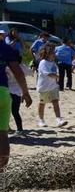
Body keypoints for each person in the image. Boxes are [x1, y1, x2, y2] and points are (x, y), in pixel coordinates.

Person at [1, 41, 32, 169]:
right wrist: (25, 92)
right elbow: (19, 73)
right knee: (2, 134)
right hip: (3, 92)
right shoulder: (4, 47)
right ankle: (2, 171)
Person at [35, 44, 67, 128]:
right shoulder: (43, 62)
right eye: (52, 53)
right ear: (47, 54)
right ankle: (41, 120)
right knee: (42, 103)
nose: (54, 54)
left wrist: (57, 80)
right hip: (44, 87)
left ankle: (59, 119)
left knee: (55, 102)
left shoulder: (53, 63)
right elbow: (48, 74)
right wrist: (58, 77)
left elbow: (55, 73)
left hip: (53, 87)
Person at [5, 64, 26, 135]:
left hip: (9, 91)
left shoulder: (5, 67)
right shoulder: (20, 67)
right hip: (17, 91)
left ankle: (16, 128)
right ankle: (19, 129)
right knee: (15, 112)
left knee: (10, 111)